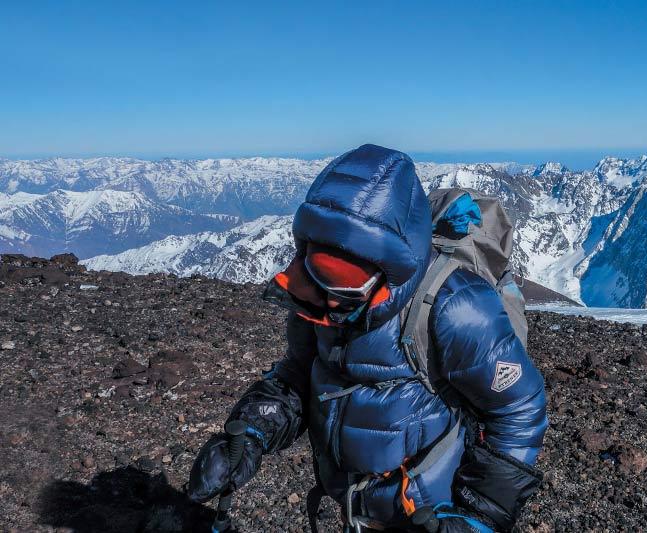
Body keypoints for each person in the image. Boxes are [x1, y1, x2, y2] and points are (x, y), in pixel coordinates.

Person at [188, 144, 548, 532]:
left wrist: (480, 516)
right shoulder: (318, 299)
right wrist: (252, 433)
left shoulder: (455, 306)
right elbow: (298, 373)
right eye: (321, 276)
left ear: (393, 266)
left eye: (347, 285)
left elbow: (520, 408)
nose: (332, 301)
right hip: (353, 501)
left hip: (427, 514)